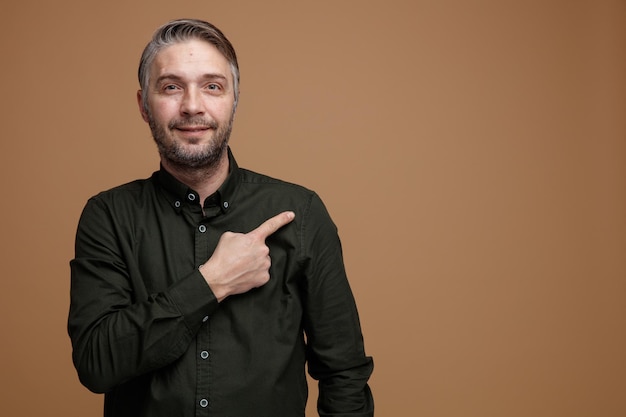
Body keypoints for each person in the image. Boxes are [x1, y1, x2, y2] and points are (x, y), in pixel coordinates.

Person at [68, 18, 374, 417]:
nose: (192, 106)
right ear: (144, 105)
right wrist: (212, 282)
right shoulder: (108, 216)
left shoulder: (301, 214)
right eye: (171, 87)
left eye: (212, 86)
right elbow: (96, 364)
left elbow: (344, 374)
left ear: (234, 100)